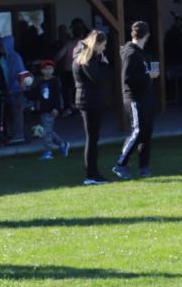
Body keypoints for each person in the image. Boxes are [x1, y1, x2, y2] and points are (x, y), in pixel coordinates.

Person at [113, 21, 158, 179]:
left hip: (145, 97)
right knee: (138, 131)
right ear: (147, 35)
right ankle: (120, 164)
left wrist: (148, 76)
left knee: (146, 131)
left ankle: (144, 166)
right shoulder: (131, 53)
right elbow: (127, 78)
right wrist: (148, 75)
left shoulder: (140, 53)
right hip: (134, 98)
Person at [72, 29, 110, 185]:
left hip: (87, 100)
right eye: (103, 45)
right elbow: (98, 78)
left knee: (93, 138)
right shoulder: (87, 58)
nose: (104, 48)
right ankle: (91, 175)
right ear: (97, 44)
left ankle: (92, 173)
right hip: (89, 101)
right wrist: (104, 64)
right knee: (92, 138)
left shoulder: (83, 56)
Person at [28, 59, 69, 160]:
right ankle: (63, 144)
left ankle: (48, 152)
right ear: (42, 71)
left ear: (53, 70)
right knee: (47, 131)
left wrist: (56, 108)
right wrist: (26, 89)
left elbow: (57, 96)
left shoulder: (55, 82)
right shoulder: (40, 82)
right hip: (43, 110)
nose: (48, 71)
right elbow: (34, 95)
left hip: (51, 110)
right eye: (45, 69)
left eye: (50, 68)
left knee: (46, 132)